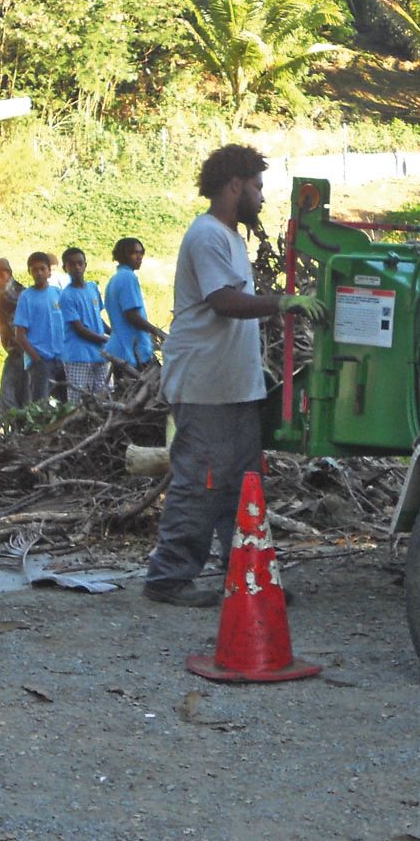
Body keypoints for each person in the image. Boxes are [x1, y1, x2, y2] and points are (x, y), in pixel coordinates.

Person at [144, 145, 321, 608]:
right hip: (205, 387)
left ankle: (244, 574)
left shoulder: (231, 238)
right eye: (258, 187)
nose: (262, 198)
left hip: (233, 388)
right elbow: (223, 301)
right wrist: (281, 303)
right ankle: (168, 578)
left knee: (240, 486)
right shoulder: (207, 236)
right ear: (235, 185)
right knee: (200, 481)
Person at [104, 236, 166, 375]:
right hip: (131, 352)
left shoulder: (115, 279)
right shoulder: (127, 278)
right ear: (122, 255)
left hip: (119, 350)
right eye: (134, 253)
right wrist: (157, 332)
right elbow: (131, 315)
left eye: (141, 253)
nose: (139, 257)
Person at [57, 247, 111, 402]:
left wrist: (113, 333)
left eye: (80, 263)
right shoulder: (66, 296)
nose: (77, 268)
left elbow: (97, 318)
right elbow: (79, 329)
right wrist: (106, 339)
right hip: (78, 355)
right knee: (78, 400)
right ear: (65, 268)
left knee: (103, 397)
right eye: (72, 265)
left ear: (85, 265)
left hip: (99, 353)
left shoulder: (93, 288)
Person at [11, 252, 64, 406]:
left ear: (49, 271)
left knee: (67, 406)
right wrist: (37, 359)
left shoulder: (57, 293)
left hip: (61, 359)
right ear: (30, 272)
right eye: (35, 270)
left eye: (42, 269)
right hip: (40, 362)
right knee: (41, 408)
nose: (39, 273)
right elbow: (20, 335)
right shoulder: (26, 297)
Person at [0, 258, 27, 424]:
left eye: (2, 275)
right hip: (13, 351)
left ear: (9, 274)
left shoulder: (22, 294)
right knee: (11, 396)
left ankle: (23, 432)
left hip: (27, 351)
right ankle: (17, 432)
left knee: (15, 395)